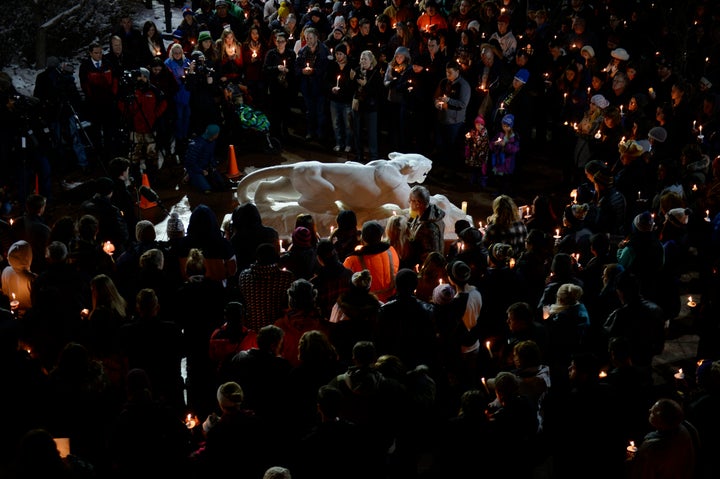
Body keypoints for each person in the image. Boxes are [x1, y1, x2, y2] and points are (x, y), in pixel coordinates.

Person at [375, 268, 438, 371]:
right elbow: (431, 340)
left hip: (392, 364)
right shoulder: (427, 310)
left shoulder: (385, 310)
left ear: (396, 285)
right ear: (415, 286)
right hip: (418, 362)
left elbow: (379, 339)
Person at [117, 67, 168, 178]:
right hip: (135, 128)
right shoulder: (131, 91)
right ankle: (134, 175)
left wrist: (156, 114)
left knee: (152, 152)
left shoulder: (154, 90)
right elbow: (121, 103)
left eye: (144, 76)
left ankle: (152, 174)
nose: (141, 79)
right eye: (140, 76)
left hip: (150, 127)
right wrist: (128, 115)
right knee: (135, 153)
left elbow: (164, 102)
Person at [630, 398, 699, 479]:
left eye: (654, 412)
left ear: (661, 420)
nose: (650, 410)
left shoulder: (651, 448)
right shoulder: (687, 430)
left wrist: (636, 459)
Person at [237, 243, 295, 331]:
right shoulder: (286, 277)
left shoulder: (244, 276)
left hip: (252, 330)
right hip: (278, 330)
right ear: (276, 258)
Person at [342, 220, 399, 303]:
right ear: (380, 236)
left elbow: (344, 281)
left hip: (367, 304)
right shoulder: (391, 250)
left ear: (363, 238)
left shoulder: (352, 260)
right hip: (392, 301)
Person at [78, 42, 118, 157]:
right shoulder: (85, 66)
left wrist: (113, 95)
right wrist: (92, 97)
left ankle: (110, 153)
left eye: (100, 52)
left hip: (108, 103)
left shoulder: (108, 63)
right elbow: (85, 85)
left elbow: (114, 80)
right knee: (95, 131)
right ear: (90, 53)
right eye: (96, 53)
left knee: (109, 130)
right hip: (94, 104)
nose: (99, 55)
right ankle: (98, 155)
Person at [433, 60, 471, 167]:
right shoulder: (444, 82)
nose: (447, 74)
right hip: (442, 119)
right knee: (441, 145)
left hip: (454, 122)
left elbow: (463, 104)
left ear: (457, 72)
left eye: (450, 72)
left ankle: (450, 169)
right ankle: (441, 166)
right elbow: (436, 96)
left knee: (451, 147)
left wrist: (449, 100)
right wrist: (436, 103)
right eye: (446, 72)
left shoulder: (463, 86)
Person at [296, 27, 330, 141]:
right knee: (310, 111)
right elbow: (297, 67)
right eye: (306, 38)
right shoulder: (303, 51)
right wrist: (302, 71)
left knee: (320, 112)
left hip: (319, 87)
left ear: (316, 37)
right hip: (307, 87)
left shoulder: (324, 50)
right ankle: (310, 132)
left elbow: (326, 69)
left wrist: (314, 71)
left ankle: (320, 133)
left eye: (310, 38)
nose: (308, 41)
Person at [350, 49, 384, 162]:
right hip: (358, 106)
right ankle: (359, 155)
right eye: (361, 59)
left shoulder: (376, 73)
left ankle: (374, 157)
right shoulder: (356, 71)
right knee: (357, 131)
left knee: (371, 134)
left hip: (370, 107)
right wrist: (352, 79)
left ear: (371, 60)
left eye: (365, 59)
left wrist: (366, 85)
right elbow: (351, 87)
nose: (362, 61)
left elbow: (378, 92)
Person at [263, 31, 297, 141]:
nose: (280, 43)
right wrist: (276, 68)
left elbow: (295, 70)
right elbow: (265, 69)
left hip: (287, 88)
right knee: (275, 111)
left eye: (282, 41)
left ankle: (285, 131)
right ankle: (275, 133)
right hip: (275, 87)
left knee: (286, 110)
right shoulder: (271, 54)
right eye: (278, 41)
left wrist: (288, 70)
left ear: (286, 42)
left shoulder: (291, 54)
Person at [404, 185, 446, 268]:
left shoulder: (429, 227)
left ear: (418, 204)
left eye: (410, 200)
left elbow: (431, 255)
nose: (409, 202)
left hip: (426, 269)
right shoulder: (426, 214)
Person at [184, 124, 231, 194]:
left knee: (221, 183)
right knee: (207, 190)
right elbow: (190, 162)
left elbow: (210, 156)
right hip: (195, 169)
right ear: (214, 135)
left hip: (206, 167)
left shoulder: (212, 142)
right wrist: (201, 171)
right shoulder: (196, 145)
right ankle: (189, 176)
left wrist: (213, 166)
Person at [328, 43, 354, 153]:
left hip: (346, 101)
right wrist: (331, 88)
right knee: (336, 123)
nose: (338, 56)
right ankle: (339, 143)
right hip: (335, 100)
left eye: (340, 54)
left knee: (348, 125)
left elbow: (352, 85)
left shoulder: (350, 67)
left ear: (345, 54)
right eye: (337, 54)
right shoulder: (333, 66)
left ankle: (348, 144)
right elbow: (327, 80)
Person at [490, 113, 520, 194]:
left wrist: (505, 145)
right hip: (499, 161)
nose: (505, 128)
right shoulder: (500, 134)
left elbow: (515, 149)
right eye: (504, 126)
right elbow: (492, 143)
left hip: (507, 162)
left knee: (506, 180)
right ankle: (499, 192)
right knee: (498, 179)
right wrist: (495, 144)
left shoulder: (514, 137)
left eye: (507, 126)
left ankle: (505, 194)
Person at [464, 115, 490, 189]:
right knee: (474, 168)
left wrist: (477, 145)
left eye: (480, 125)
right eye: (476, 124)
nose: (478, 126)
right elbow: (468, 142)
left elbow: (483, 144)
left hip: (481, 154)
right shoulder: (473, 131)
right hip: (474, 154)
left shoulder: (484, 133)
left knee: (481, 169)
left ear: (483, 125)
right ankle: (472, 180)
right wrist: (467, 138)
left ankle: (481, 182)